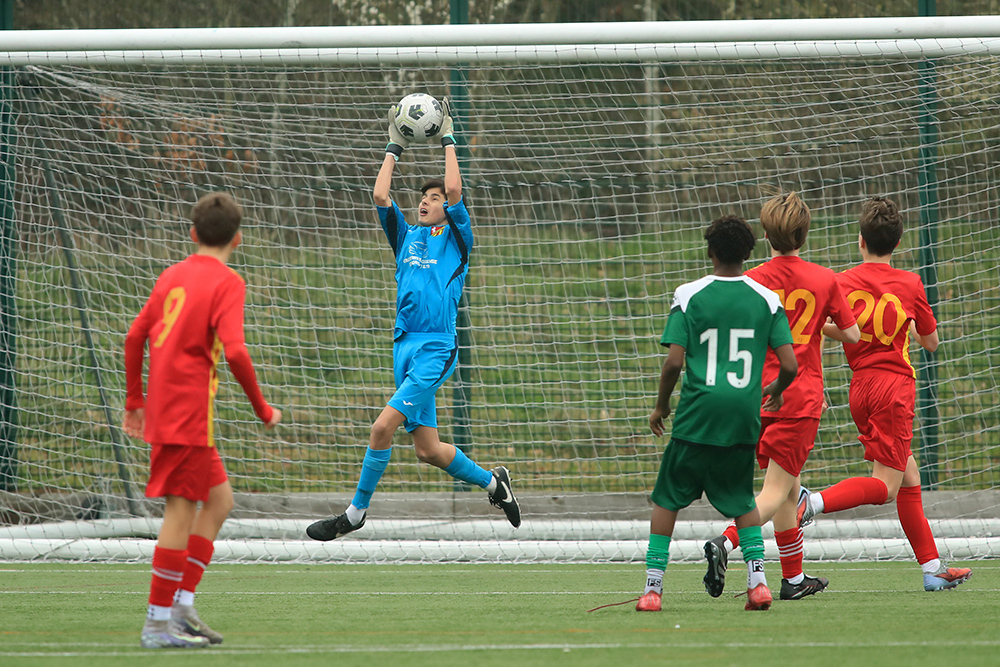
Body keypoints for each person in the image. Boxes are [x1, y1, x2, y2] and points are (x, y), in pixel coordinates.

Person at [306, 98, 520, 542]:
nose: (426, 202)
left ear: (447, 209)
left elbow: (457, 191)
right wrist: (394, 145)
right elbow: (381, 195)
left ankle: (356, 512)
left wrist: (447, 139)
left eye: (434, 198)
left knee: (382, 426)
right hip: (402, 346)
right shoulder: (405, 237)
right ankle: (495, 483)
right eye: (423, 197)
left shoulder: (457, 240)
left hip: (435, 347)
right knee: (428, 451)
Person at [124, 192, 282, 649]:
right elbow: (234, 350)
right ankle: (157, 624)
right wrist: (262, 409)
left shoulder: (171, 274)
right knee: (180, 511)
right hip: (186, 413)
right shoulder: (228, 282)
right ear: (238, 240)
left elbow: (135, 336)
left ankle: (180, 606)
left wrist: (136, 398)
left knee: (219, 503)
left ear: (192, 234)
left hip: (175, 411)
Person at [796, 196, 972, 592]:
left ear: (860, 241)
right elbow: (931, 342)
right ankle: (813, 502)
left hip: (860, 387)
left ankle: (932, 568)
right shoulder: (909, 283)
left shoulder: (840, 280)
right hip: (894, 388)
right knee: (887, 487)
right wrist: (904, 325)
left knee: (909, 477)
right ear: (898, 244)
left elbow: (819, 326)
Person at [637, 215, 797, 613]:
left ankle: (653, 589)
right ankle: (758, 584)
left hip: (697, 414)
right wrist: (775, 391)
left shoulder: (689, 295)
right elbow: (791, 366)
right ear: (748, 254)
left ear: (710, 252)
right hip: (743, 416)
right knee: (743, 499)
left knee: (668, 499)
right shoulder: (767, 300)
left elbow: (674, 363)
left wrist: (661, 406)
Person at [704, 193, 859, 601]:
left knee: (790, 488)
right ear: (805, 234)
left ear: (765, 233)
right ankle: (725, 542)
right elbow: (853, 334)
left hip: (753, 397)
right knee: (775, 492)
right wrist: (813, 328)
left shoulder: (751, 279)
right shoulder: (825, 279)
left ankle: (793, 579)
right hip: (797, 397)